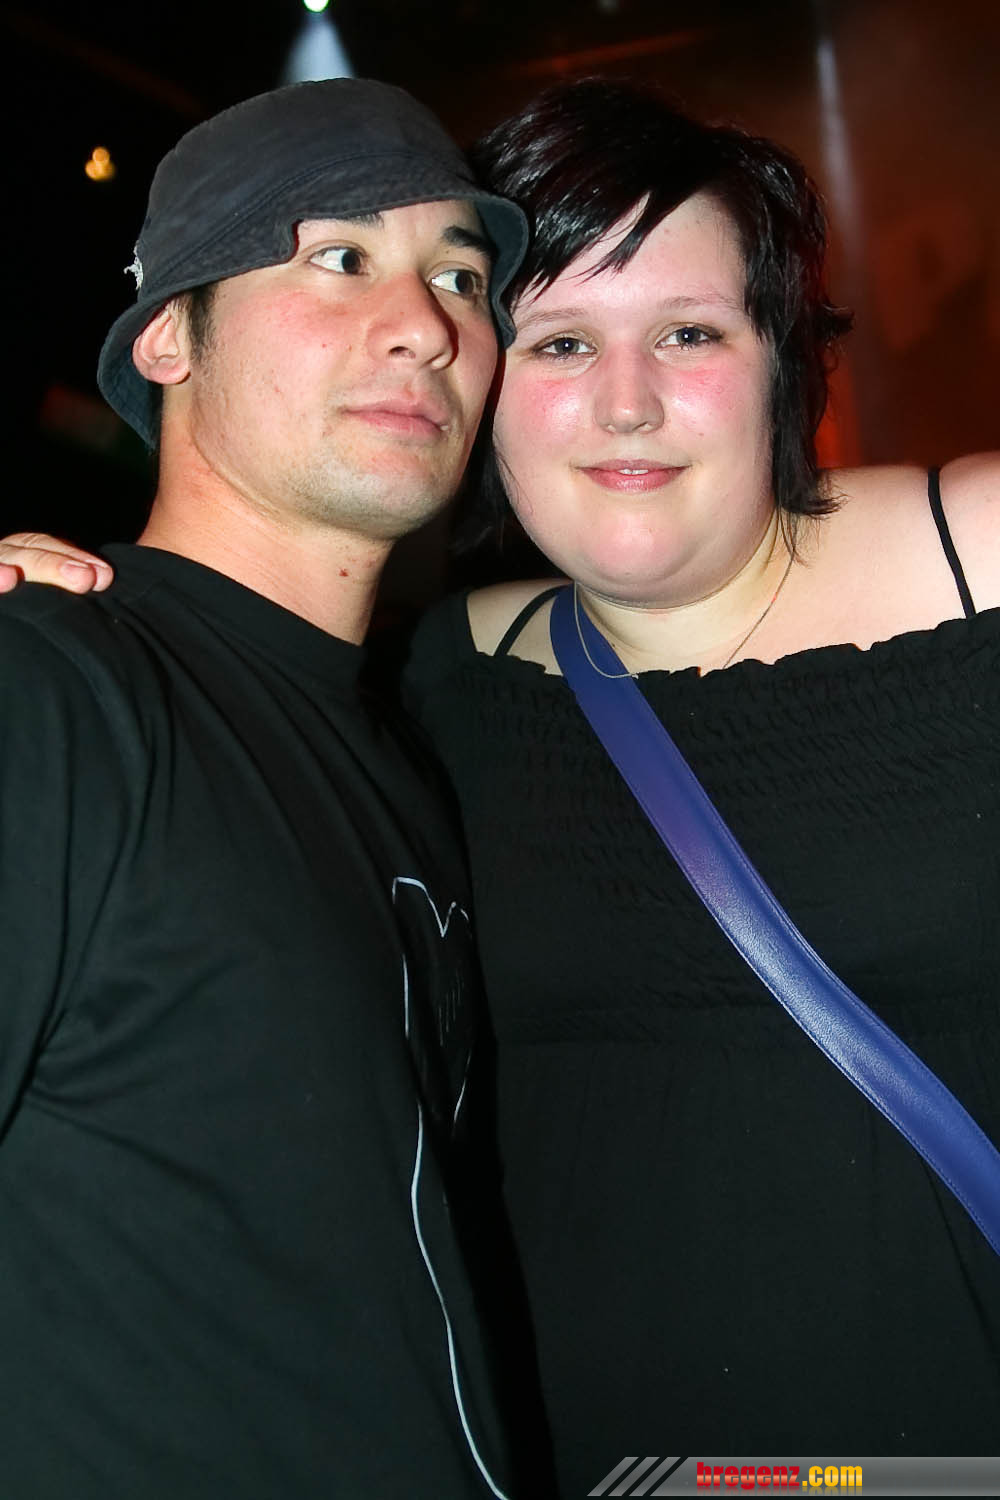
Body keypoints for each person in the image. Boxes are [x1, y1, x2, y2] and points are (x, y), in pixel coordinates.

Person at [8, 77, 1000, 1491]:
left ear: (780, 358)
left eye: (691, 332)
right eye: (560, 340)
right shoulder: (147, 688)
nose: (626, 400)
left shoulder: (413, 712)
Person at [0, 77, 541, 1500]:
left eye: (461, 278)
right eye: (339, 257)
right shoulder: (53, 689)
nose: (427, 325)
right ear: (168, 337)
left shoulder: (406, 762)